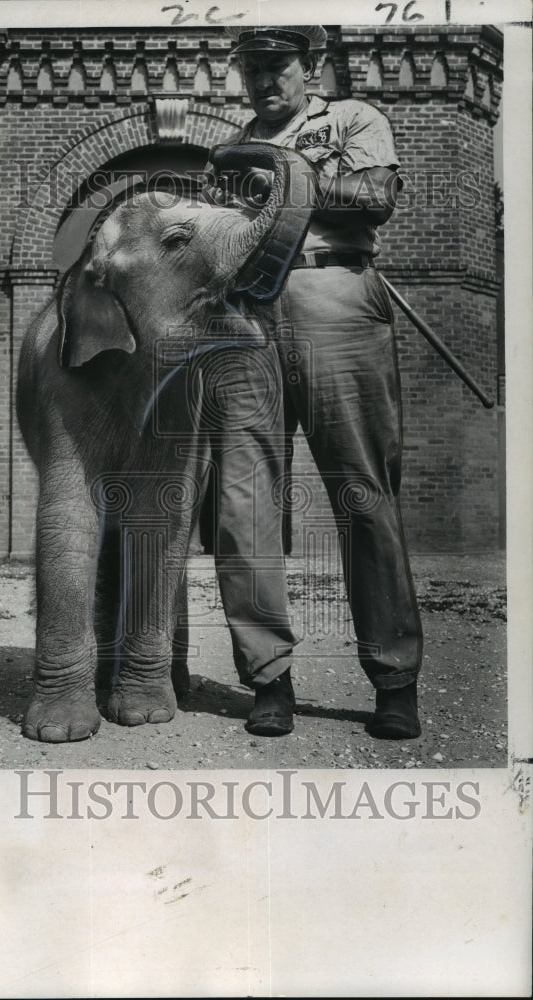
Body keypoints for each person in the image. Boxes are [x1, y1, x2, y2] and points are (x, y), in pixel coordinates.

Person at [201, 25, 423, 739]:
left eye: (279, 67)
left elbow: (373, 196)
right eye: (253, 68)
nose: (265, 81)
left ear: (312, 67)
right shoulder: (228, 151)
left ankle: (394, 678)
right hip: (247, 316)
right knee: (241, 501)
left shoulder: (353, 119)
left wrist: (282, 179)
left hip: (338, 298)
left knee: (363, 492)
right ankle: (269, 679)